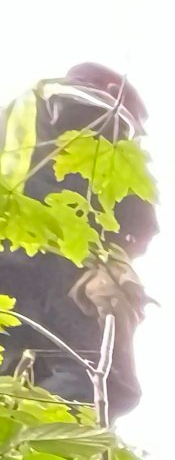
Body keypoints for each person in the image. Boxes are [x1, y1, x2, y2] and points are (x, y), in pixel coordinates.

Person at [0, 63, 156, 419]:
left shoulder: (15, 116)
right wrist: (114, 261)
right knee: (109, 386)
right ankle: (27, 441)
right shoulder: (104, 117)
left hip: (6, 263)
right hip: (60, 267)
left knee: (14, 372)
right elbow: (139, 224)